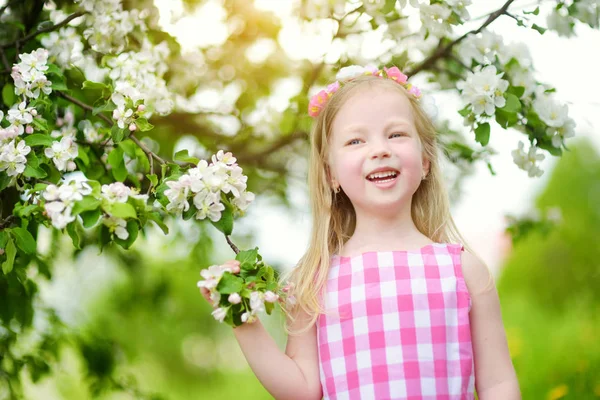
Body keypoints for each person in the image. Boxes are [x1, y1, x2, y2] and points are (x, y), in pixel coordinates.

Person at [200, 65, 521, 400]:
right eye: (355, 140)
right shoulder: (316, 281)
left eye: (396, 134)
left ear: (426, 160)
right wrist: (243, 321)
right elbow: (302, 390)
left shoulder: (464, 271)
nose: (380, 149)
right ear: (330, 174)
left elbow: (497, 382)